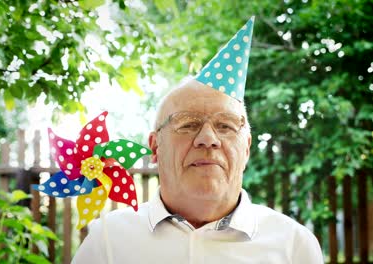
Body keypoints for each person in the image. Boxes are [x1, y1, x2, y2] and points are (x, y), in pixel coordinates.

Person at [72, 17, 324, 264]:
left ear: (246, 148)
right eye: (188, 124)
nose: (207, 139)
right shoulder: (107, 241)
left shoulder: (294, 246)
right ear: (155, 147)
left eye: (225, 125)